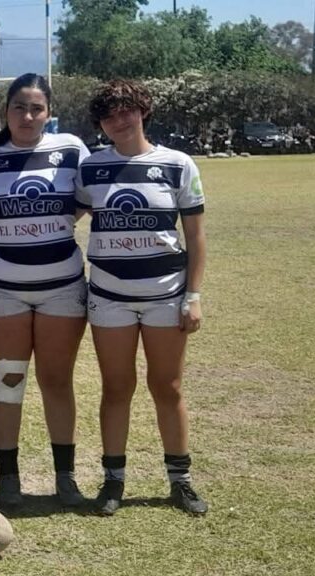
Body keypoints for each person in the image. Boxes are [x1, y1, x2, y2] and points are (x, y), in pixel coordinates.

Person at [76, 79, 208, 516]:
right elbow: (66, 213)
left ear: (143, 111)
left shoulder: (177, 164)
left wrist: (193, 295)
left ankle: (180, 480)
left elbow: (195, 236)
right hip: (109, 294)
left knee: (167, 387)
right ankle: (113, 481)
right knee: (116, 388)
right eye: (109, 115)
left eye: (127, 110)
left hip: (165, 294)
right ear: (100, 124)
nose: (120, 120)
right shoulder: (91, 168)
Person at [0, 73, 89, 507]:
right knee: (9, 381)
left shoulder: (71, 149)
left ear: (49, 113)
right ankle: (8, 478)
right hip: (4, 290)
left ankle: (65, 478)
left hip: (62, 288)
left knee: (57, 381)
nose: (27, 116)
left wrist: (46, 229)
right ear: (6, 111)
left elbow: (81, 203)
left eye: (36, 108)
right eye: (19, 107)